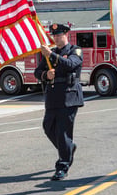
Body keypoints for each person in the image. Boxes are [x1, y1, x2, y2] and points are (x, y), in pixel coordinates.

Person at [34, 23, 84, 181]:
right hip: (53, 97)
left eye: (59, 35)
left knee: (63, 132)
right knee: (48, 127)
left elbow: (71, 64)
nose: (56, 37)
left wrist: (51, 56)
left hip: (69, 97)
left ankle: (62, 166)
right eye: (54, 35)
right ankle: (68, 148)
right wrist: (45, 75)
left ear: (66, 35)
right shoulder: (52, 52)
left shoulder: (74, 50)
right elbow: (37, 71)